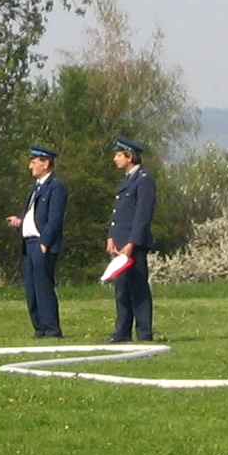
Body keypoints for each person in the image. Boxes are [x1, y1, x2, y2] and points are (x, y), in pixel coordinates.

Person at [5, 146, 67, 337]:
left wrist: (45, 241)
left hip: (42, 243)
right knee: (31, 288)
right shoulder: (36, 188)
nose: (30, 166)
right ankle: (39, 327)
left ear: (45, 163)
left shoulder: (56, 186)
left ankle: (51, 328)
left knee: (43, 287)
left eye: (33, 162)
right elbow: (35, 216)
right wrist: (21, 222)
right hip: (29, 243)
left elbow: (55, 218)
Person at [105, 137, 157, 343]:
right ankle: (122, 330)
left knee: (138, 287)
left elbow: (142, 214)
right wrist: (111, 237)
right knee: (121, 288)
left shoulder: (144, 179)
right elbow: (119, 213)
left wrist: (131, 243)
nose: (115, 159)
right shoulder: (126, 179)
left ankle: (144, 331)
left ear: (130, 157)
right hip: (120, 242)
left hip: (133, 244)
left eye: (119, 155)